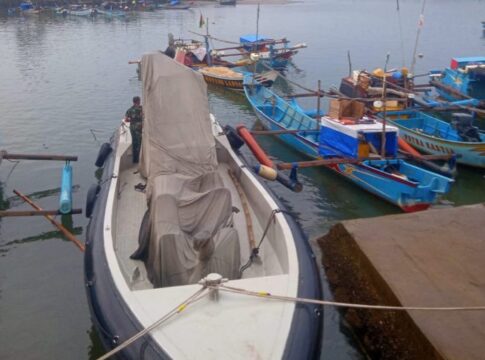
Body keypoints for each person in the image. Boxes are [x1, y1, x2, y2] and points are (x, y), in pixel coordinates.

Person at [125, 96, 143, 163]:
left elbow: (126, 119)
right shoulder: (141, 109)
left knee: (134, 143)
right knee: (140, 143)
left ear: (133, 102)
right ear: (139, 101)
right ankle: (140, 159)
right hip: (139, 128)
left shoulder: (129, 110)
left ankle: (135, 160)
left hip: (132, 128)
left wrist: (132, 119)